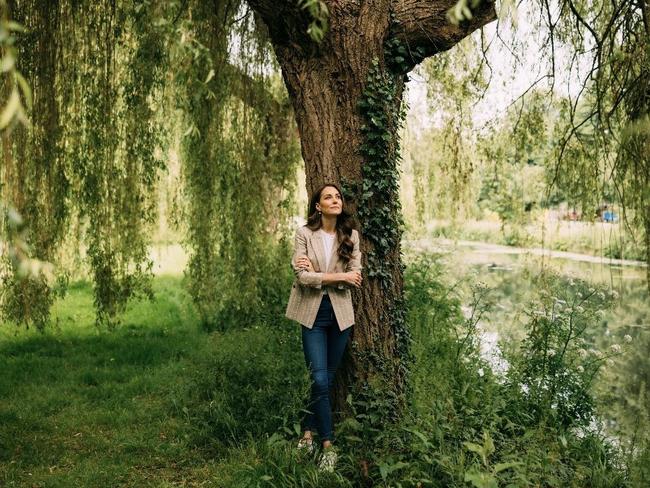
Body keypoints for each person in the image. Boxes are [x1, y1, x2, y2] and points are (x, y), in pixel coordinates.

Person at [285, 182, 362, 472]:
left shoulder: (351, 235)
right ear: (318, 206)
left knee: (326, 379)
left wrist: (321, 275)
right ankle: (328, 445)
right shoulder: (305, 234)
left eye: (338, 196)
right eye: (328, 197)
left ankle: (307, 433)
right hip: (312, 313)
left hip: (341, 314)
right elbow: (303, 277)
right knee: (318, 379)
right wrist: (335, 277)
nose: (335, 200)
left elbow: (356, 275)